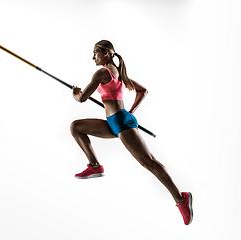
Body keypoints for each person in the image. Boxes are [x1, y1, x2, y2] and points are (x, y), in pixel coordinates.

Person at [70, 40, 193, 225]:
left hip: (121, 122)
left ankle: (181, 199)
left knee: (149, 162)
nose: (93, 56)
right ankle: (95, 165)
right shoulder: (118, 73)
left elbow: (82, 98)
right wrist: (130, 112)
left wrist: (75, 93)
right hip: (115, 122)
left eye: (95, 52)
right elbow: (142, 91)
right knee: (76, 127)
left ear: (106, 53)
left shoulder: (102, 72)